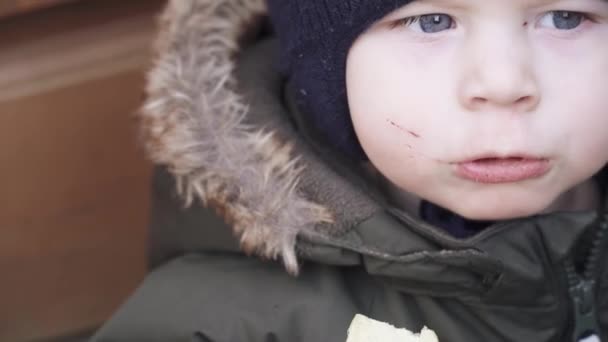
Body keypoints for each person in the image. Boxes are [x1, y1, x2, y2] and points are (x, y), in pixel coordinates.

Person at [90, 0, 608, 341]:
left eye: (565, 17)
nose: (502, 81)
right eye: (431, 21)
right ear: (327, 76)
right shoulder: (220, 325)